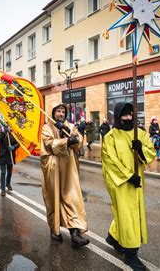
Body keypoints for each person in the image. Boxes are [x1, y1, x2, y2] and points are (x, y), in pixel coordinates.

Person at [101, 102, 156, 270]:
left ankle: (113, 236)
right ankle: (131, 255)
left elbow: (151, 152)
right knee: (128, 215)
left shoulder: (139, 133)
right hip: (120, 183)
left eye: (130, 114)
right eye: (124, 115)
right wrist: (128, 176)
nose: (128, 118)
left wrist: (140, 150)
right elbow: (110, 161)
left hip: (137, 182)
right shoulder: (111, 137)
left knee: (129, 213)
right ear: (118, 116)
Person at [40, 103, 89, 249]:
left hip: (69, 169)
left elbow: (78, 141)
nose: (61, 114)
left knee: (72, 198)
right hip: (53, 169)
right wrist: (66, 141)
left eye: (63, 111)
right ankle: (54, 230)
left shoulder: (70, 125)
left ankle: (75, 234)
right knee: (54, 200)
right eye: (58, 111)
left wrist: (73, 137)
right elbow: (48, 144)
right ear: (53, 113)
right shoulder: (46, 127)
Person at [0, 127, 19, 196]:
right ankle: (3, 189)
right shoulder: (1, 134)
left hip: (10, 156)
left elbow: (17, 143)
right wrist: (3, 133)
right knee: (3, 172)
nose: (8, 128)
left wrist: (13, 147)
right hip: (2, 156)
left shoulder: (12, 134)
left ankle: (8, 184)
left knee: (10, 171)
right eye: (6, 127)